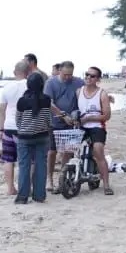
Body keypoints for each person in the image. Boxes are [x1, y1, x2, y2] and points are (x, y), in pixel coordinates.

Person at [44, 61, 83, 192]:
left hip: (71, 122)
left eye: (70, 75)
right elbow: (48, 102)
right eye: (65, 74)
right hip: (54, 122)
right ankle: (49, 179)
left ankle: (63, 176)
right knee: (52, 151)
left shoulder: (78, 82)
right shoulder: (51, 83)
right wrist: (62, 115)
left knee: (68, 150)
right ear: (60, 71)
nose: (68, 77)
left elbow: (85, 94)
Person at [14, 72, 53, 204]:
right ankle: (39, 195)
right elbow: (48, 119)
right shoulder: (46, 100)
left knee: (24, 166)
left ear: (28, 85)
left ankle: (22, 197)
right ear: (42, 84)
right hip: (42, 137)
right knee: (41, 165)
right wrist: (45, 127)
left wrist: (23, 129)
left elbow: (18, 120)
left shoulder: (22, 101)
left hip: (24, 137)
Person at [77, 66, 114, 195]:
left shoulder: (102, 94)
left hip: (97, 126)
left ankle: (106, 185)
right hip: (81, 126)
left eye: (92, 76)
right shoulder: (78, 92)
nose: (88, 77)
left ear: (97, 79)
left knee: (98, 152)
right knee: (68, 150)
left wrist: (91, 118)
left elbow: (107, 115)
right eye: (87, 74)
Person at [0, 60, 30, 196]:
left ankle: (10, 188)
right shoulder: (30, 86)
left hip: (9, 127)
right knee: (26, 159)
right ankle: (25, 187)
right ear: (28, 73)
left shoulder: (7, 88)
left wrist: (1, 129)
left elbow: (2, 110)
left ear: (14, 72)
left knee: (8, 159)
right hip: (25, 126)